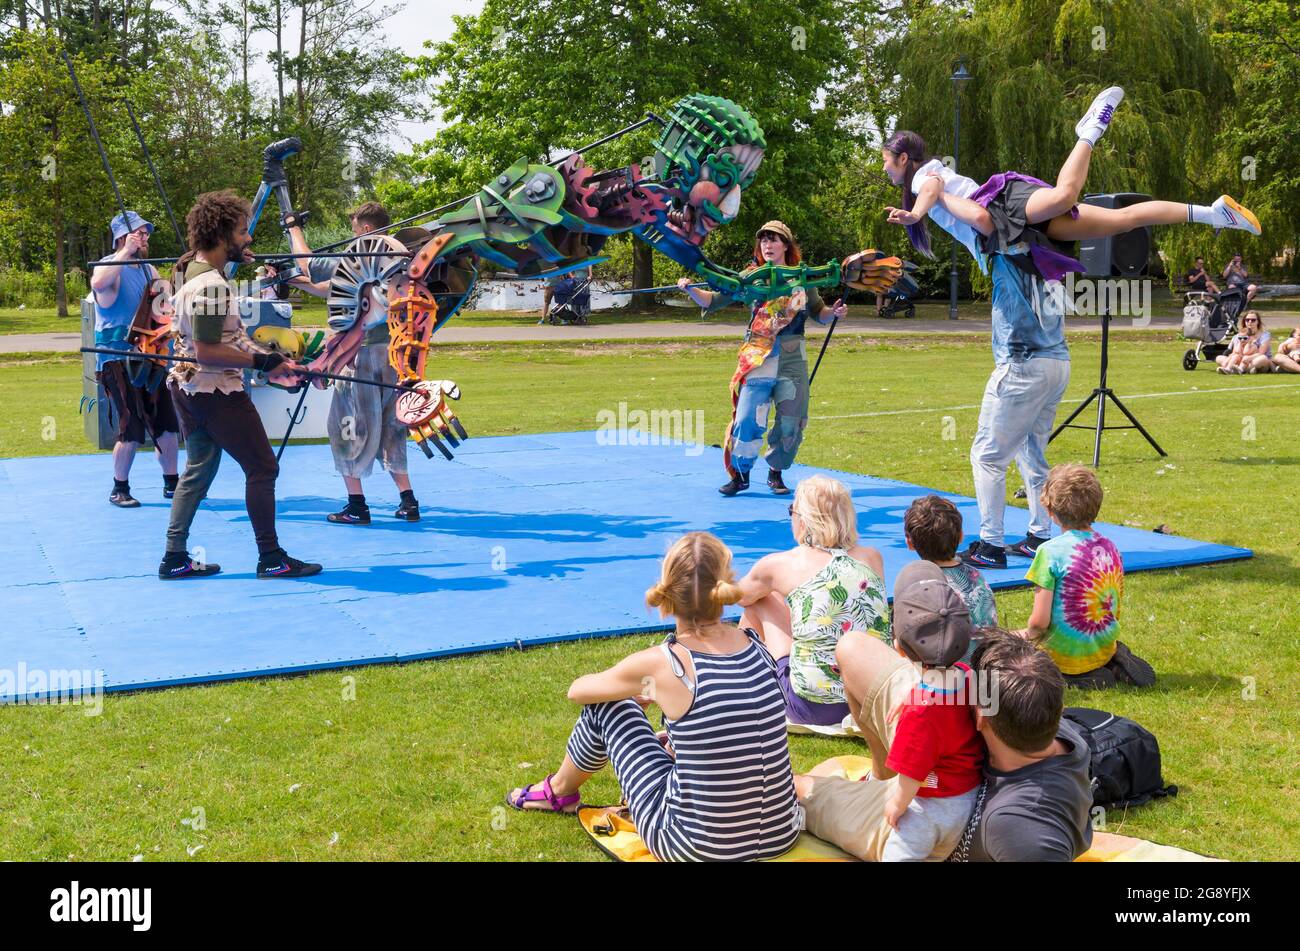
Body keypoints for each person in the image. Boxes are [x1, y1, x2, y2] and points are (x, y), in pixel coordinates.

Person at [505, 532, 801, 861]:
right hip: (781, 832)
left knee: (607, 706)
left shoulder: (666, 663)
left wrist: (638, 689)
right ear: (724, 586)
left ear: (669, 590)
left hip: (696, 847)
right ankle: (565, 789)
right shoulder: (755, 646)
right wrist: (651, 691)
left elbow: (578, 691)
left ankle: (559, 791)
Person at [883, 87, 1262, 288]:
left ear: (903, 159)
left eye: (886, 160)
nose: (885, 167)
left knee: (1067, 195)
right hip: (1010, 230)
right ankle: (1211, 213)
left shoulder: (921, 177)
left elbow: (932, 189)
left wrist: (915, 213)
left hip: (1004, 209)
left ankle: (1090, 131)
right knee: (1122, 221)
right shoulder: (925, 174)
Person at [795, 626, 1093, 862]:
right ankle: (882, 773)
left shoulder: (1023, 828)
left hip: (929, 822)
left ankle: (872, 790)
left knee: (804, 789)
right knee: (852, 647)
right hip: (946, 752)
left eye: (973, 690)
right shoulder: (1045, 722)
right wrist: (923, 696)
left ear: (980, 718)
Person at [160, 189, 321, 580]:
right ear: (222, 233)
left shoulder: (192, 271)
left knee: (198, 469)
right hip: (216, 390)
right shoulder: (212, 287)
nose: (249, 239)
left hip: (186, 389)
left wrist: (275, 366)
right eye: (243, 231)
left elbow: (223, 334)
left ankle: (174, 557)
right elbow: (209, 351)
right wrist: (261, 360)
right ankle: (271, 558)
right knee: (263, 467)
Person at [678, 221, 848, 496]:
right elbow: (711, 300)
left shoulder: (803, 278)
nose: (768, 245)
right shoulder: (749, 276)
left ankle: (776, 472)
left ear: (786, 246)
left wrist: (835, 313)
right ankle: (741, 474)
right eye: (764, 240)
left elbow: (820, 313)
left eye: (775, 240)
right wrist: (690, 289)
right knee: (747, 418)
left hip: (794, 356)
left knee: (791, 419)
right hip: (759, 353)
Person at [278, 202, 419, 524]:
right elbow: (334, 287)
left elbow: (309, 262)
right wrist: (297, 282)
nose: (353, 237)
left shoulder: (362, 256)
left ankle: (357, 506)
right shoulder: (397, 263)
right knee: (392, 427)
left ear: (367, 230)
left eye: (355, 230)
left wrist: (292, 227)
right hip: (394, 356)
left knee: (346, 426)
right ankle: (408, 501)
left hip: (360, 356)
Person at [736, 475, 889, 728]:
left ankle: (737, 678)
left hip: (815, 706)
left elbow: (739, 595)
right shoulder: (872, 558)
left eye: (792, 511)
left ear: (805, 519)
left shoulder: (781, 564)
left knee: (761, 600)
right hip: (871, 700)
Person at [878, 561, 984, 861]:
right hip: (970, 797)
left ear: (899, 649)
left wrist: (896, 804)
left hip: (933, 810)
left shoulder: (919, 712)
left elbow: (911, 774)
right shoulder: (969, 674)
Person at [1019, 464, 1154, 688]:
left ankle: (1076, 675)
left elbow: (1039, 624)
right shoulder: (1110, 547)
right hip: (1102, 642)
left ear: (1050, 511)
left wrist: (1023, 636)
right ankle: (1112, 659)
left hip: (1063, 656)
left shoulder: (1050, 552)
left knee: (1017, 657)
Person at [88, 210, 181, 507]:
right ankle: (120, 488)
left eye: (145, 233)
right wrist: (126, 251)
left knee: (166, 424)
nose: (144, 237)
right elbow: (99, 283)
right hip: (117, 358)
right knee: (131, 427)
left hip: (150, 356)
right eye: (139, 233)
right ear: (122, 237)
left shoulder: (148, 270)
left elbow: (162, 309)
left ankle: (172, 483)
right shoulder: (109, 266)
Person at [903, 495, 999, 660]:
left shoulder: (918, 586)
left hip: (944, 675)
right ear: (961, 536)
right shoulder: (976, 576)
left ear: (909, 543)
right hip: (984, 668)